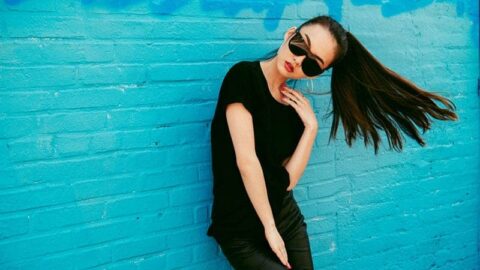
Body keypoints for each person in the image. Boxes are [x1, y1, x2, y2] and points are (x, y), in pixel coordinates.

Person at [206, 15, 458, 270]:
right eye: (299, 46)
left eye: (313, 64)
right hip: (239, 227)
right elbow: (247, 162)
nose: (298, 60)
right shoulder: (243, 77)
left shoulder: (294, 110)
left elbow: (287, 181)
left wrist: (311, 129)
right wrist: (269, 228)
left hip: (285, 219)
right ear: (289, 34)